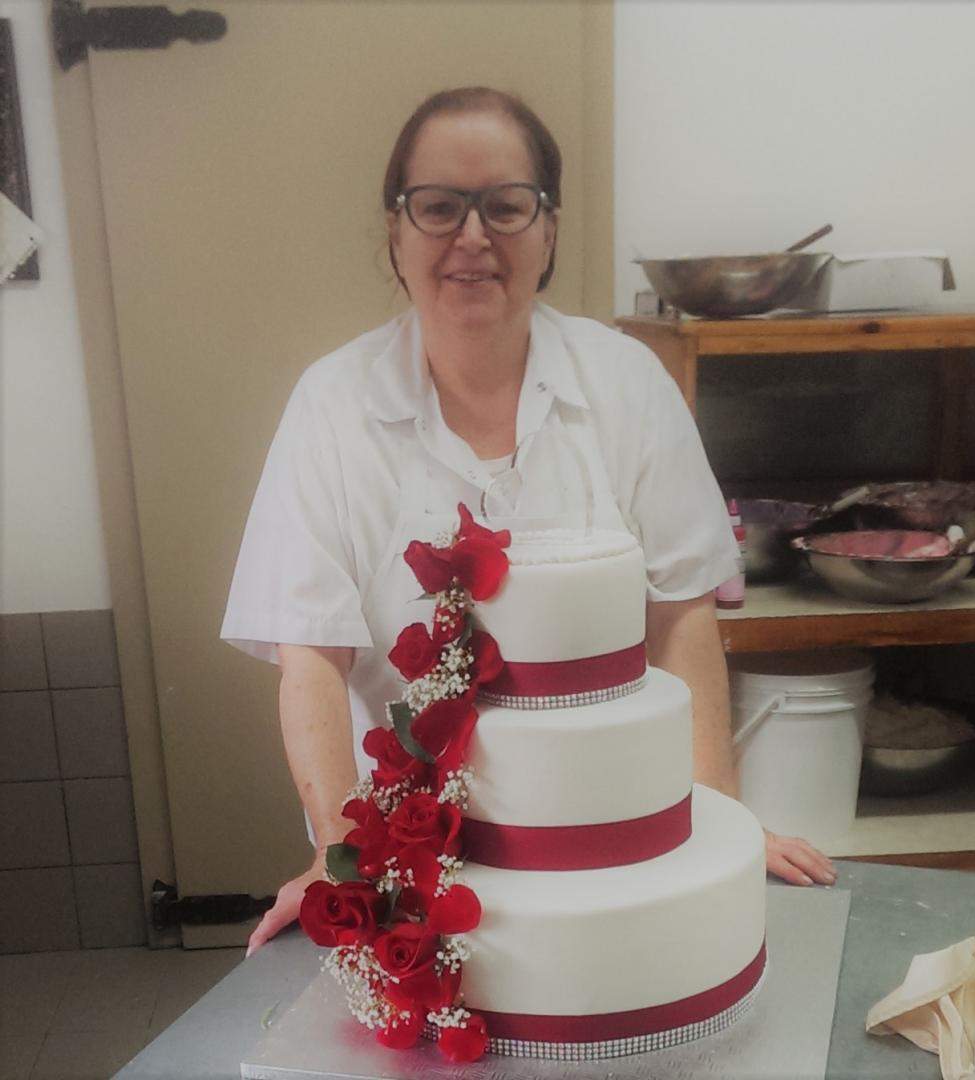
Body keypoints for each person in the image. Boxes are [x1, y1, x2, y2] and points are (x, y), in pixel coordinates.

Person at [222, 86, 835, 957]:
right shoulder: (332, 405)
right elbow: (310, 656)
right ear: (395, 231)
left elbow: (680, 614)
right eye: (438, 207)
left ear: (547, 230)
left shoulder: (625, 382)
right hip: (413, 845)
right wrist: (337, 853)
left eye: (506, 206)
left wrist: (717, 831)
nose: (472, 237)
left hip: (616, 835)